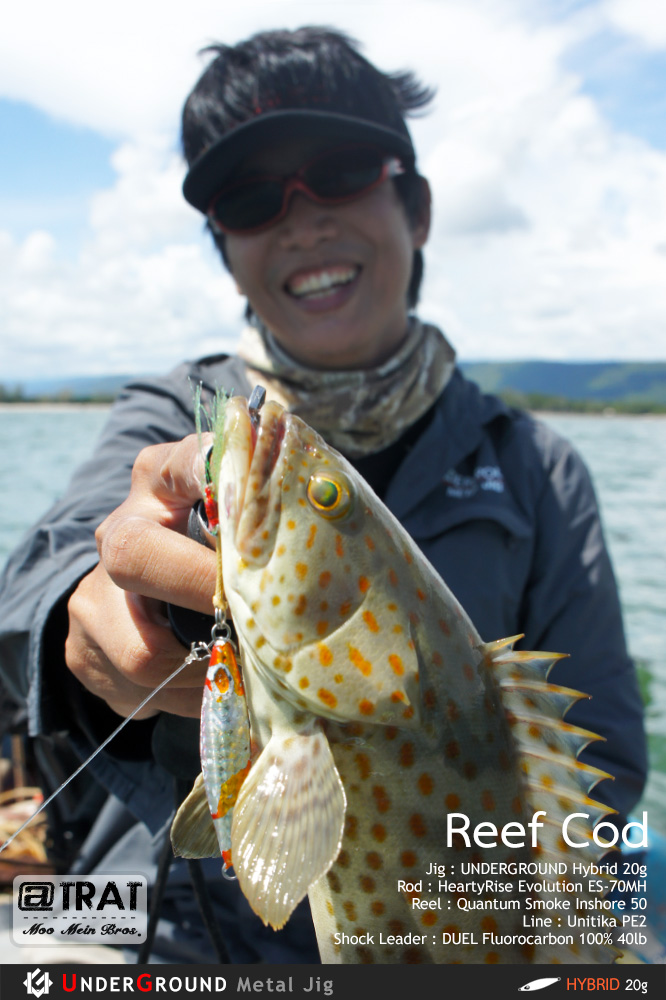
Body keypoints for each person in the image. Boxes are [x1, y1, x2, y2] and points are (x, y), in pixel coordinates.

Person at [0, 27, 647, 964]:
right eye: (253, 199)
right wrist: (96, 615)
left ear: (416, 207)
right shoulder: (176, 415)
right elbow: (50, 576)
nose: (302, 222)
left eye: (341, 172)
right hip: (151, 922)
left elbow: (600, 768)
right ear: (224, 247)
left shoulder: (538, 466)